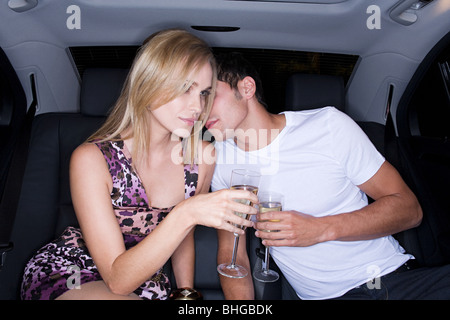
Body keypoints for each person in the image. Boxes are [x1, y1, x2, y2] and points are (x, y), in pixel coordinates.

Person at [20, 30, 258, 300]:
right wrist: (186, 213)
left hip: (146, 278)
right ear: (149, 83)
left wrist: (185, 293)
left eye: (204, 93)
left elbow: (183, 238)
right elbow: (118, 281)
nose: (197, 106)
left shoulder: (202, 157)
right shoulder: (92, 159)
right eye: (184, 88)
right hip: (72, 271)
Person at [208, 52, 450, 300]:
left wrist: (321, 229)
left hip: (395, 280)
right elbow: (232, 254)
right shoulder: (218, 161)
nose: (200, 109)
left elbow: (409, 210)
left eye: (209, 95)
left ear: (246, 88)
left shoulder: (329, 126)